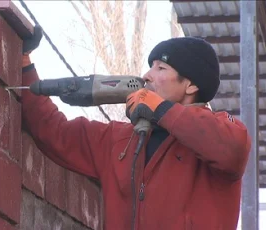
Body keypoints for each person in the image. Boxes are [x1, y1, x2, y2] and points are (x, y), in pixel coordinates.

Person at [20, 25, 251, 230]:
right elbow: (52, 130)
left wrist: (161, 110)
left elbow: (232, 149)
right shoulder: (118, 139)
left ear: (190, 85)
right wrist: (24, 64)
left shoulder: (223, 131)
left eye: (161, 68)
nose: (146, 76)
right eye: (150, 67)